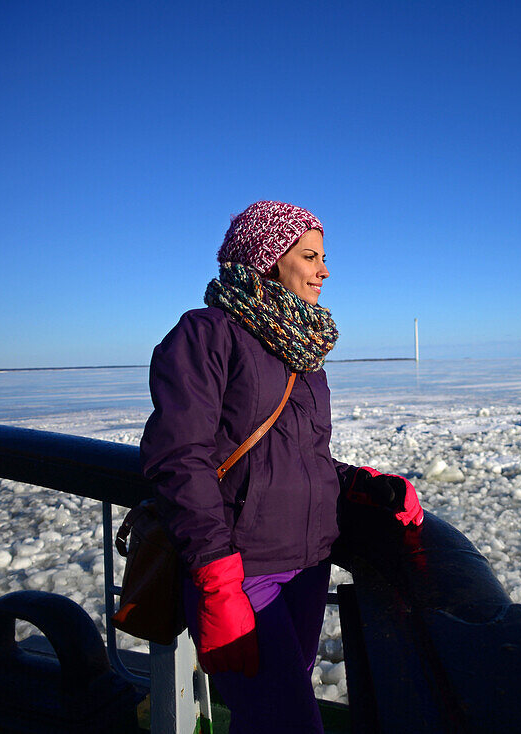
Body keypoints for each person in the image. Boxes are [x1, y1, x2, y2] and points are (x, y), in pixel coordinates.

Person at [140, 200, 424, 733]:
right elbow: (179, 458)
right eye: (311, 256)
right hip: (240, 572)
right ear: (268, 259)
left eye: (324, 257)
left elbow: (303, 457)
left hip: (308, 565)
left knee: (267, 719)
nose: (325, 270)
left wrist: (364, 486)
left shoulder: (304, 350)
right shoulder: (208, 334)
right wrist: (215, 577)